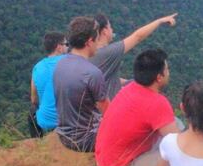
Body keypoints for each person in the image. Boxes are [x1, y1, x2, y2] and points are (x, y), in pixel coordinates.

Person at [95, 48, 181, 166]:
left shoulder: (130, 87)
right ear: (159, 77)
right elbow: (179, 144)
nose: (168, 72)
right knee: (178, 158)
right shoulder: (157, 103)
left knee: (176, 123)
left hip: (104, 158)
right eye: (167, 69)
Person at [53, 16, 109, 152]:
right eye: (97, 39)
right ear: (89, 42)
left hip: (63, 135)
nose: (98, 44)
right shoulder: (92, 73)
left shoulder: (59, 64)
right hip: (86, 139)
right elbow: (108, 112)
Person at [92, 13, 178, 100]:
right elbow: (137, 37)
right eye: (110, 27)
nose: (112, 29)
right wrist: (159, 21)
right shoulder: (108, 52)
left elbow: (106, 76)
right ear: (105, 31)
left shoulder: (89, 53)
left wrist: (128, 83)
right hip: (106, 109)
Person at [29, 31, 67, 136]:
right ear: (59, 47)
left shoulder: (37, 67)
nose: (67, 47)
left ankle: (37, 142)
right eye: (66, 44)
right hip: (68, 121)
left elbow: (34, 99)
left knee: (32, 111)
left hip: (44, 122)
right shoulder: (69, 61)